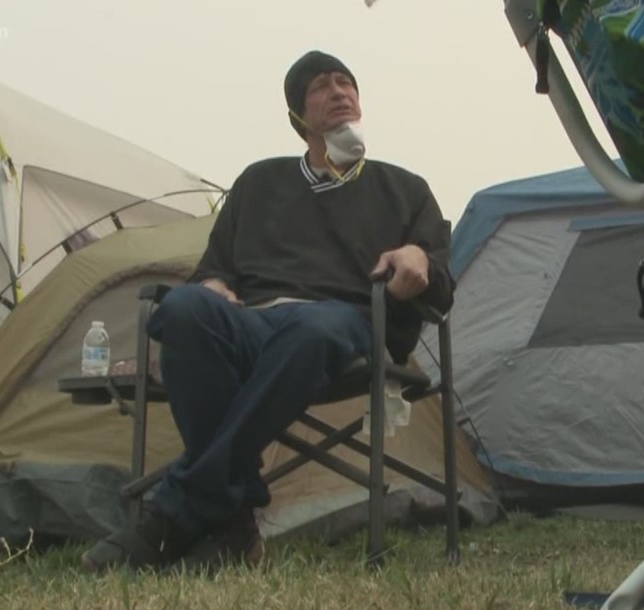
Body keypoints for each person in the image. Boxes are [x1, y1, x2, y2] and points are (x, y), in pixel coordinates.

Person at [81, 50, 455, 571]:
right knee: (186, 310)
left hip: (346, 321)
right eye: (322, 87)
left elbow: (441, 284)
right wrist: (213, 283)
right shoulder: (259, 183)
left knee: (312, 325)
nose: (340, 92)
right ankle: (233, 524)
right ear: (297, 119)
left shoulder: (404, 189)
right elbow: (213, 269)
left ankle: (175, 513)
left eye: (347, 83)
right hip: (254, 323)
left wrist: (420, 260)